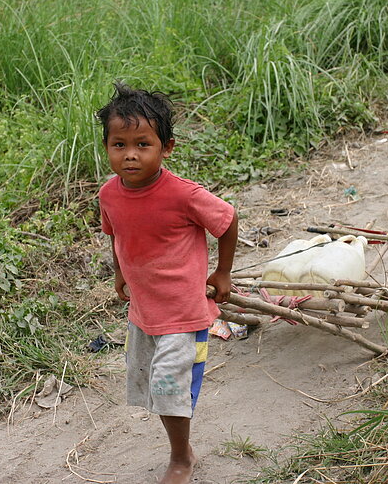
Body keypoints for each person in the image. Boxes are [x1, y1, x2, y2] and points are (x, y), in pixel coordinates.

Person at [97, 82, 238, 484]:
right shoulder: (109, 194)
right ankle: (182, 449)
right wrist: (120, 271)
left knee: (168, 387)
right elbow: (116, 233)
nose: (130, 155)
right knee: (152, 387)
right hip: (144, 311)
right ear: (107, 147)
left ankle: (181, 458)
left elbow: (227, 221)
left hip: (184, 311)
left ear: (167, 148)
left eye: (143, 144)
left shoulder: (182, 195)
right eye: (119, 144)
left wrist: (222, 272)